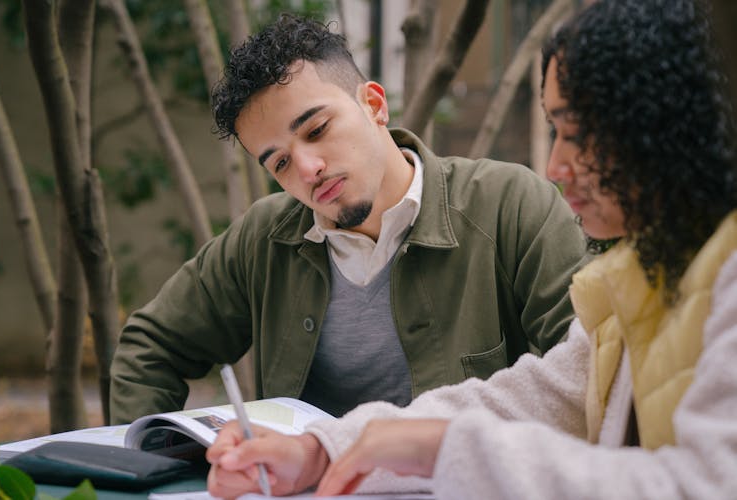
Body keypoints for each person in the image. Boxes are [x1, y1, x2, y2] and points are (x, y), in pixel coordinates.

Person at [205, 1, 737, 498]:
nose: (556, 167)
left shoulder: (716, 270)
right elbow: (542, 393)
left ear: (665, 120)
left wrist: (445, 450)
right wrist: (322, 451)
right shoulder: (651, 269)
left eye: (579, 133)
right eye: (278, 163)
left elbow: (705, 484)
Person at [109, 14, 588, 423]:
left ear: (374, 105)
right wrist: (154, 465)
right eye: (279, 163)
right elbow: (150, 347)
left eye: (317, 130)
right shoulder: (264, 240)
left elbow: (588, 371)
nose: (307, 170)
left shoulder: (512, 208)